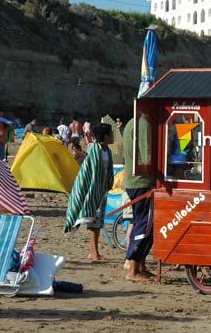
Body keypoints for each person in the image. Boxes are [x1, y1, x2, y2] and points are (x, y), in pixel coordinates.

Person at [64, 124, 114, 262]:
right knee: (93, 220)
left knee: (97, 221)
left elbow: (106, 170)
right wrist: (94, 188)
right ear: (105, 136)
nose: (113, 136)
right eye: (111, 134)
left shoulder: (107, 151)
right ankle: (93, 253)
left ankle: (94, 252)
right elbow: (88, 172)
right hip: (92, 190)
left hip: (101, 190)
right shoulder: (94, 149)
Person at [122, 118, 154, 281]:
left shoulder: (131, 122)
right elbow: (147, 157)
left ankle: (141, 267)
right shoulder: (144, 124)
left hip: (134, 181)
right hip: (142, 182)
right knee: (144, 226)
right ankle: (133, 270)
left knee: (142, 224)